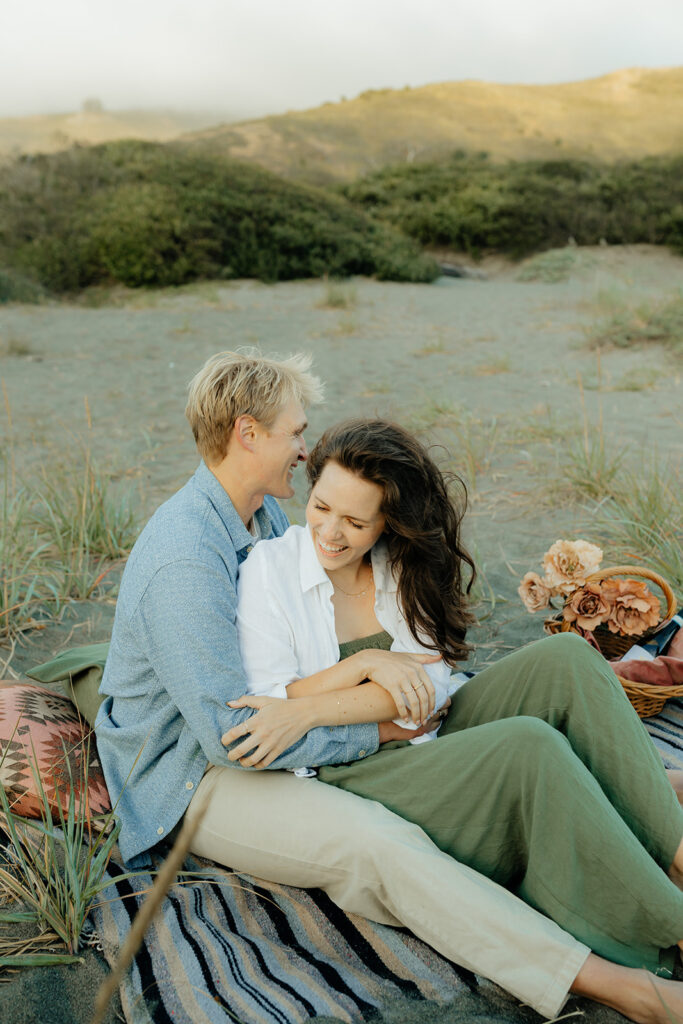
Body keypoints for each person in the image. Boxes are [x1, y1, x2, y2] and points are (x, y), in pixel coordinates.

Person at [229, 417, 683, 1024]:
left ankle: (676, 850)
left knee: (569, 658)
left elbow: (431, 691)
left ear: (387, 522)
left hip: (428, 734)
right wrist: (369, 669)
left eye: (357, 522)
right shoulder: (269, 570)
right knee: (528, 745)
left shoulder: (396, 563)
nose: (331, 533)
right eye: (321, 506)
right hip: (351, 768)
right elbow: (271, 707)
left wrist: (323, 700)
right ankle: (666, 927)